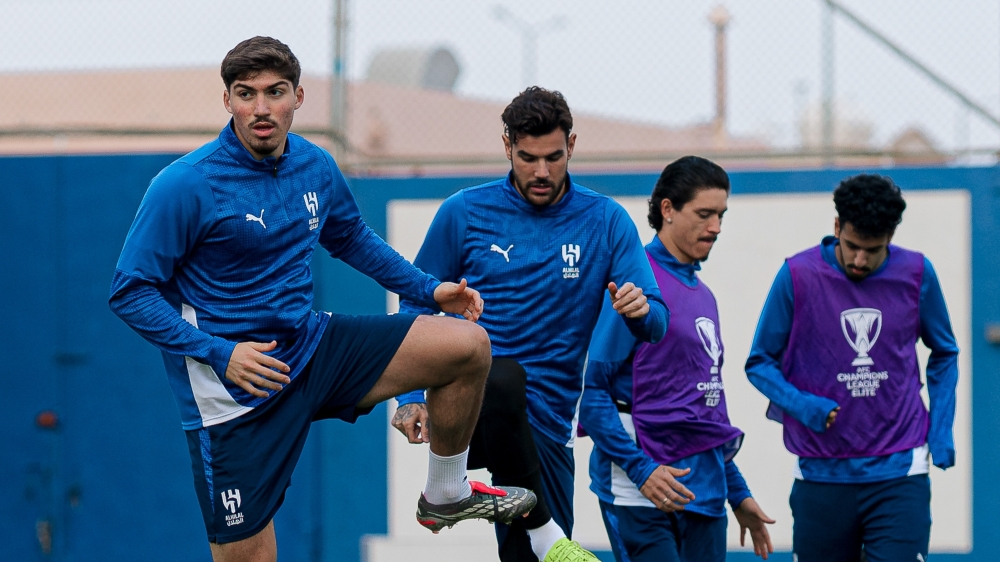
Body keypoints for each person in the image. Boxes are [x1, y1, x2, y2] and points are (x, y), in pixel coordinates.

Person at [108, 37, 537, 562]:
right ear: (227, 102)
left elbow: (352, 238)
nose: (261, 108)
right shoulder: (184, 185)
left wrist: (428, 289)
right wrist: (222, 352)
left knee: (466, 346)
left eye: (275, 92)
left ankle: (446, 494)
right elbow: (130, 292)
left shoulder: (315, 165)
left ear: (298, 97)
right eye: (246, 94)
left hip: (314, 349)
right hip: (236, 391)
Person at [391, 86, 668, 562]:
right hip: (470, 414)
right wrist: (410, 396)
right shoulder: (464, 212)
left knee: (536, 559)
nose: (541, 171)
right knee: (499, 373)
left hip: (548, 425)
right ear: (507, 148)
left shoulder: (605, 221)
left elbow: (658, 323)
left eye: (554, 157)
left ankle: (506, 523)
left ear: (572, 147)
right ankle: (452, 490)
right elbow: (415, 304)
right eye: (528, 157)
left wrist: (642, 312)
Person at [745, 174, 959, 562]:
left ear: (891, 237)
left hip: (900, 469)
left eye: (873, 250)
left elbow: (945, 352)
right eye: (852, 246)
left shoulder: (917, 274)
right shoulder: (797, 274)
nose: (860, 260)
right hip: (820, 471)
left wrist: (940, 429)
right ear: (836, 227)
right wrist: (803, 404)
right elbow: (759, 362)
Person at [580, 156, 774, 562]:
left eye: (721, 215)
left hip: (705, 494)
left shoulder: (704, 296)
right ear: (667, 209)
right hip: (639, 492)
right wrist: (640, 469)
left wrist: (737, 492)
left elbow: (704, 414)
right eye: (704, 214)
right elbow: (593, 395)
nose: (716, 227)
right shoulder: (633, 285)